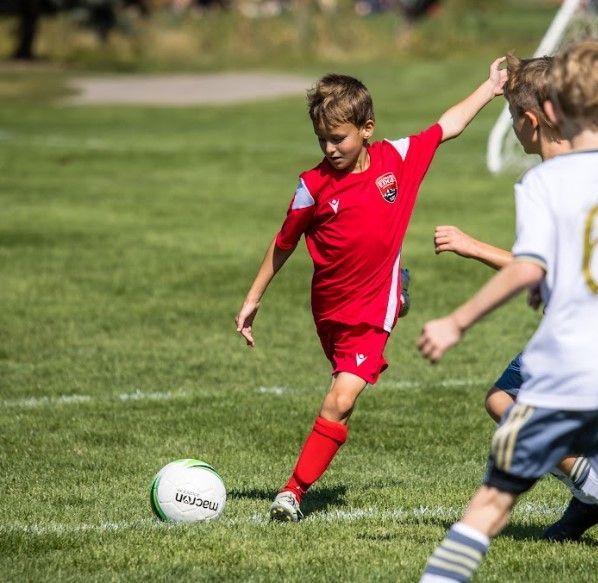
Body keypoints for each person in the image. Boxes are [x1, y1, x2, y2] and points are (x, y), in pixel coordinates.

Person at [235, 58, 508, 521]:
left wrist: (490, 87)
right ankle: (396, 287)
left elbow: (447, 126)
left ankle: (291, 492)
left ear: (367, 129)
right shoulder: (312, 185)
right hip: (329, 309)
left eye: (337, 138)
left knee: (341, 398)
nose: (329, 147)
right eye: (321, 139)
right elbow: (284, 243)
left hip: (369, 312)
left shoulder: (395, 160)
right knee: (341, 392)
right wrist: (253, 297)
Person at [417, 39, 598, 581]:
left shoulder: (543, 182)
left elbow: (528, 268)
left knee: (490, 505)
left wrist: (457, 320)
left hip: (567, 366)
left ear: (536, 117)